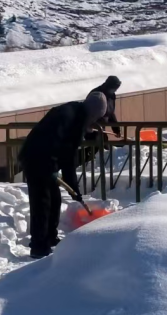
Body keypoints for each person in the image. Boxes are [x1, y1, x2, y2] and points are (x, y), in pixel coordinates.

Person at [18, 91, 108, 259]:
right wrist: (71, 185)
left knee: (54, 199)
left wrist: (73, 188)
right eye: (96, 119)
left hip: (43, 157)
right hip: (36, 158)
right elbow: (66, 156)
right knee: (42, 203)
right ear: (94, 114)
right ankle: (39, 247)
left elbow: (66, 153)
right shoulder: (72, 119)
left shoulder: (75, 112)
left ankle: (50, 237)